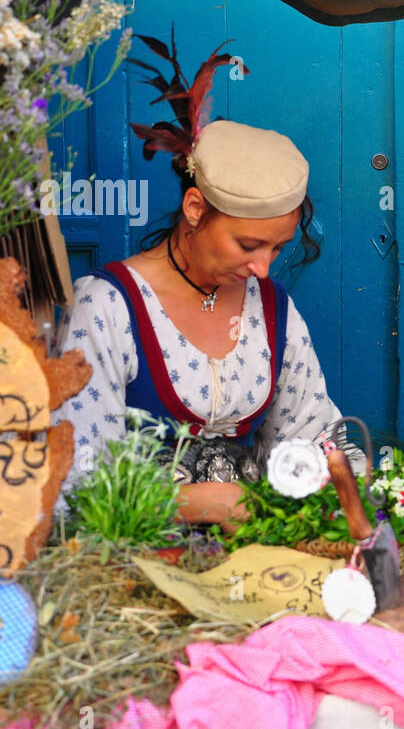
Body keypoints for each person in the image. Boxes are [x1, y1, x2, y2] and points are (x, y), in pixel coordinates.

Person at [53, 119, 344, 527]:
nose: (263, 268)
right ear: (195, 209)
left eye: (277, 247)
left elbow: (310, 435)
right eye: (247, 245)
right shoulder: (105, 306)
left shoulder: (271, 308)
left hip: (252, 550)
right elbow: (76, 480)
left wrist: (352, 483)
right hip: (133, 554)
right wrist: (199, 501)